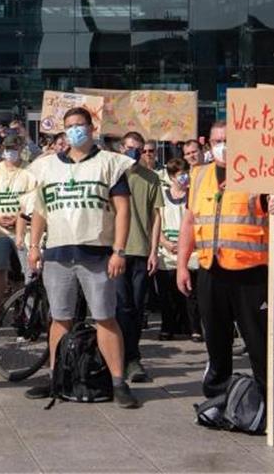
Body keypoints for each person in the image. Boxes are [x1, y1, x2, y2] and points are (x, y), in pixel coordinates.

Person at [176, 121, 274, 434]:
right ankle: (217, 400)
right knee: (216, 342)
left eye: (227, 139)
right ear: (207, 143)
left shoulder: (258, 172)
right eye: (216, 140)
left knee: (259, 344)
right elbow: (189, 220)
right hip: (211, 269)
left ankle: (273, 409)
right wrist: (182, 264)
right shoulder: (199, 175)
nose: (221, 145)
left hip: (250, 272)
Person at [23, 107, 140, 408]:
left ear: (91, 127)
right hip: (59, 254)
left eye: (80, 125)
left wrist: (119, 250)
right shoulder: (47, 166)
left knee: (105, 317)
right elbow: (39, 210)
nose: (75, 130)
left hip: (98, 254)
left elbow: (123, 210)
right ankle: (55, 379)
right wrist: (34, 246)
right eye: (70, 126)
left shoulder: (109, 164)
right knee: (59, 318)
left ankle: (118, 382)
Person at [116, 131, 163, 383]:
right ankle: (119, 356)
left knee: (136, 307)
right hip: (117, 251)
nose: (135, 152)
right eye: (131, 147)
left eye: (140, 148)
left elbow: (156, 217)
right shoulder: (113, 175)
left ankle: (133, 358)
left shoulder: (151, 178)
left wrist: (154, 251)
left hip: (141, 251)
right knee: (120, 306)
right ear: (122, 147)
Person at [0, 134, 38, 327]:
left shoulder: (29, 172)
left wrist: (18, 219)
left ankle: (25, 312)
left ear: (21, 148)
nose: (10, 152)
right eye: (7, 148)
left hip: (23, 230)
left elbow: (31, 201)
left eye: (14, 147)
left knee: (25, 272)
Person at [155, 158, 201, 341]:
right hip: (167, 253)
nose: (184, 177)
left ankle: (195, 328)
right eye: (180, 174)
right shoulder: (163, 196)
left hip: (192, 252)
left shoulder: (194, 196)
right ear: (172, 177)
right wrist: (164, 242)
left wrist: (191, 244)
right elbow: (156, 221)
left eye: (186, 173)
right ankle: (168, 327)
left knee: (191, 294)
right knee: (168, 295)